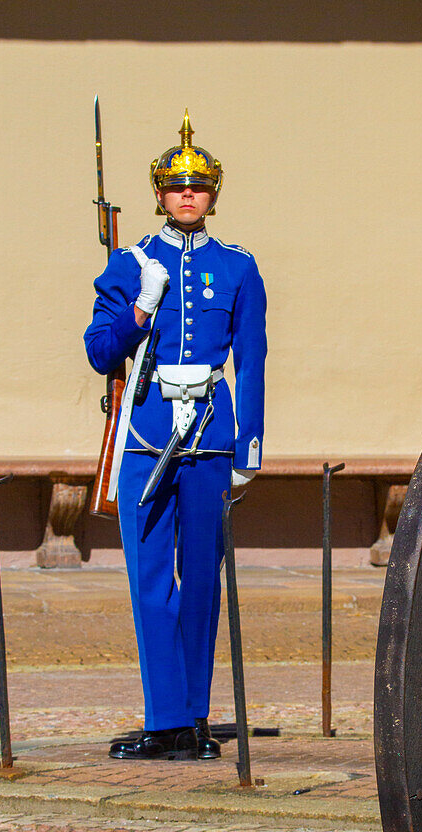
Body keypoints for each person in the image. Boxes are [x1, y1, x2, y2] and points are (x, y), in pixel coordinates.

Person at [84, 110, 267, 760]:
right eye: (175, 187)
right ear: (159, 194)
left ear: (212, 195)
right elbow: (102, 352)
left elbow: (251, 359)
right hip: (146, 438)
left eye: (197, 187)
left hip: (210, 438)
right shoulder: (132, 261)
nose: (187, 196)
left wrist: (248, 446)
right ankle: (164, 719)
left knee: (202, 581)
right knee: (149, 579)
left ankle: (193, 720)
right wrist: (140, 307)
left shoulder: (239, 267)